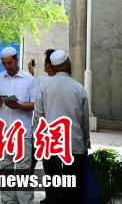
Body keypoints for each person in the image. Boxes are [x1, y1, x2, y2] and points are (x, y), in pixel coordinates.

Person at [34, 49, 90, 204]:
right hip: (74, 145)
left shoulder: (44, 87)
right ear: (67, 64)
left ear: (53, 66)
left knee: (53, 186)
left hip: (51, 145)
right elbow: (85, 120)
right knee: (73, 189)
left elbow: (38, 117)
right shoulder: (79, 88)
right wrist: (85, 144)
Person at [0, 46, 37, 204]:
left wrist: (19, 106)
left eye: (9, 62)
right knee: (5, 167)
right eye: (4, 63)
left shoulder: (29, 79)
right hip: (3, 133)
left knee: (23, 169)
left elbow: (36, 104)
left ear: (16, 60)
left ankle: (25, 201)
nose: (7, 66)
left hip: (23, 133)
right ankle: (8, 200)